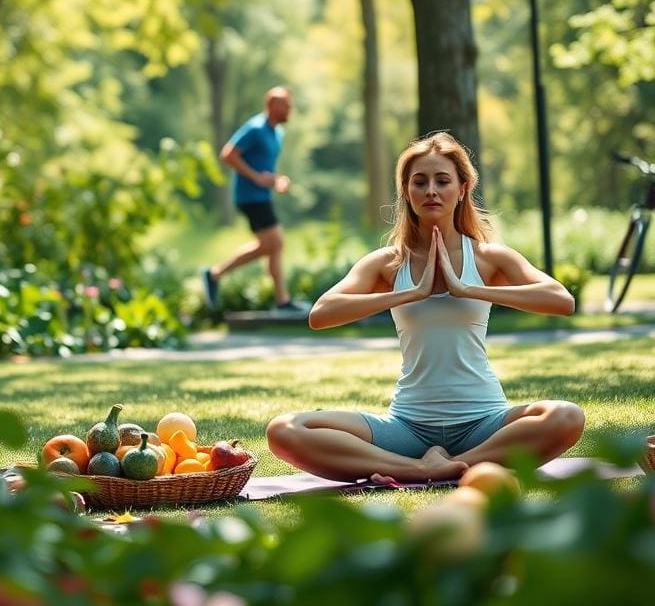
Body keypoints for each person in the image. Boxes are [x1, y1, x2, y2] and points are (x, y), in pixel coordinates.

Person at [266, 132, 585, 482]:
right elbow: (321, 314)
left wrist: (469, 288)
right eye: (420, 182)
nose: (431, 190)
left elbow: (561, 301)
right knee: (285, 429)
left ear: (462, 189)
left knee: (567, 416)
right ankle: (417, 467)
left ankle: (457, 460)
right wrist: (408, 293)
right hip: (407, 428)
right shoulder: (387, 263)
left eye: (442, 180)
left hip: (483, 422)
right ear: (407, 191)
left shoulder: (487, 257)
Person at [202, 86, 306, 313]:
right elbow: (228, 154)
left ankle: (280, 300)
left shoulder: (277, 133)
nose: (290, 110)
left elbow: (264, 166)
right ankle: (217, 274)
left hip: (262, 196)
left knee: (272, 246)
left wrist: (277, 181)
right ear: (271, 106)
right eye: (285, 106)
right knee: (275, 243)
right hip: (249, 197)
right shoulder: (256, 128)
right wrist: (256, 178)